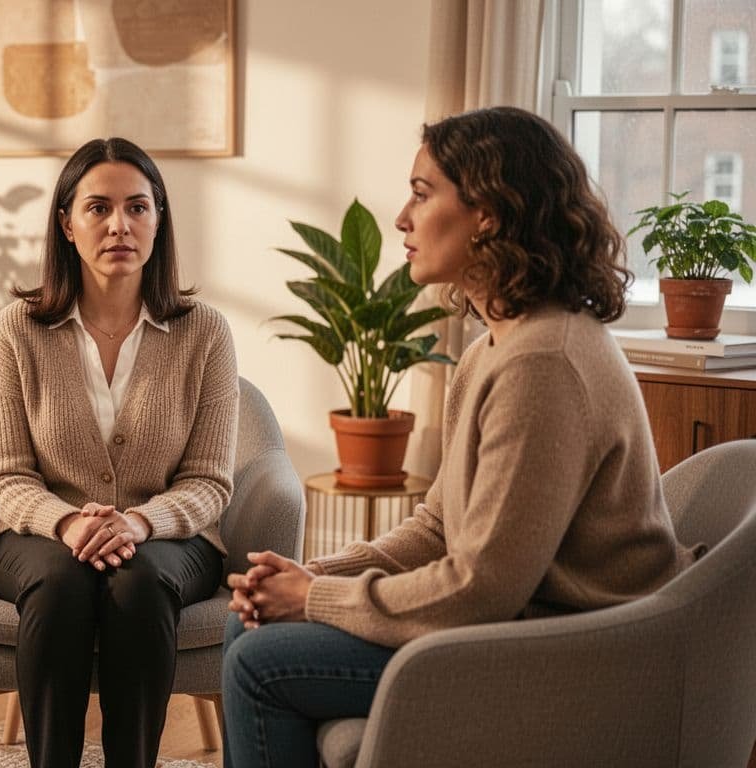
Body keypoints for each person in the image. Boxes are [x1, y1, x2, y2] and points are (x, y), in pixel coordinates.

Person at [219, 106, 700, 768]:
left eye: (422, 193)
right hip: (519, 625)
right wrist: (312, 575)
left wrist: (314, 599)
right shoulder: (497, 346)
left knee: (259, 665)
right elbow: (438, 528)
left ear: (489, 213)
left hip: (573, 652)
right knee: (243, 623)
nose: (401, 219)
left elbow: (482, 585)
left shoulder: (543, 362)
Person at [0, 137, 238, 768]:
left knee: (139, 583)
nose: (120, 224)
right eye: (98, 208)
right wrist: (69, 523)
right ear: (67, 224)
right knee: (61, 582)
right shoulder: (17, 329)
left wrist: (138, 522)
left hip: (171, 535)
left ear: (159, 220)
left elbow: (209, 480)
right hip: (35, 531)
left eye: (138, 207)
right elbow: (6, 475)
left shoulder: (205, 331)